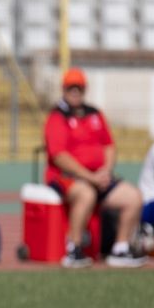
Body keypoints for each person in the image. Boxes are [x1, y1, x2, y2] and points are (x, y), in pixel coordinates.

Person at [43, 67, 145, 268]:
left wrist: (106, 170)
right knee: (86, 194)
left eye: (79, 88)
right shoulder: (57, 117)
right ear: (64, 89)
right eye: (71, 88)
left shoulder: (94, 114)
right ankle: (74, 248)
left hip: (98, 176)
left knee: (133, 197)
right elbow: (59, 156)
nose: (75, 92)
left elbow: (109, 145)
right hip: (67, 177)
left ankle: (120, 248)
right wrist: (89, 176)